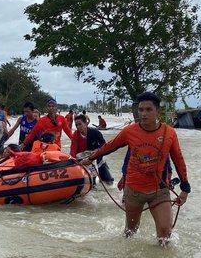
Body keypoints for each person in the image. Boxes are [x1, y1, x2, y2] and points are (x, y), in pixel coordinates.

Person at [80, 92, 190, 245]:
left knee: (165, 233)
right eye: (141, 110)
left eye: (148, 110)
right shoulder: (130, 131)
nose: (143, 114)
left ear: (157, 111)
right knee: (130, 232)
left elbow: (178, 159)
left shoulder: (169, 133)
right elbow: (110, 146)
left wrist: (185, 187)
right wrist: (90, 158)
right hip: (134, 190)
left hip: (159, 190)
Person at [70, 114, 114, 185]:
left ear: (86, 123)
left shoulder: (95, 132)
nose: (78, 127)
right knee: (91, 184)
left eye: (80, 124)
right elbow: (73, 149)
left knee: (109, 182)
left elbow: (104, 144)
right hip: (82, 160)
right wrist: (73, 161)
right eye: (76, 125)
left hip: (97, 157)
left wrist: (97, 150)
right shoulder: (75, 135)